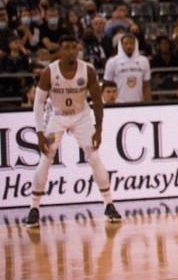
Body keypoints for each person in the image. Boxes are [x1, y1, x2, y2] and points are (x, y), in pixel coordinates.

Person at [25, 36, 122, 227]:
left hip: (82, 115)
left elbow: (96, 99)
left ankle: (109, 204)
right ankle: (34, 208)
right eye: (66, 48)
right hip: (57, 116)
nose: (71, 51)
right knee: (46, 159)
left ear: (78, 50)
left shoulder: (87, 70)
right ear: (60, 51)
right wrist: (39, 132)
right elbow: (38, 102)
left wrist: (98, 127)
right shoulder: (49, 72)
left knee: (94, 157)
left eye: (74, 48)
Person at [103, 33, 152, 103]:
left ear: (136, 45)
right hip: (118, 104)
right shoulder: (112, 62)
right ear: (121, 45)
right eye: (126, 43)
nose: (129, 46)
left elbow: (146, 86)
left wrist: (148, 105)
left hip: (139, 104)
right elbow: (106, 85)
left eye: (131, 43)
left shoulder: (144, 61)